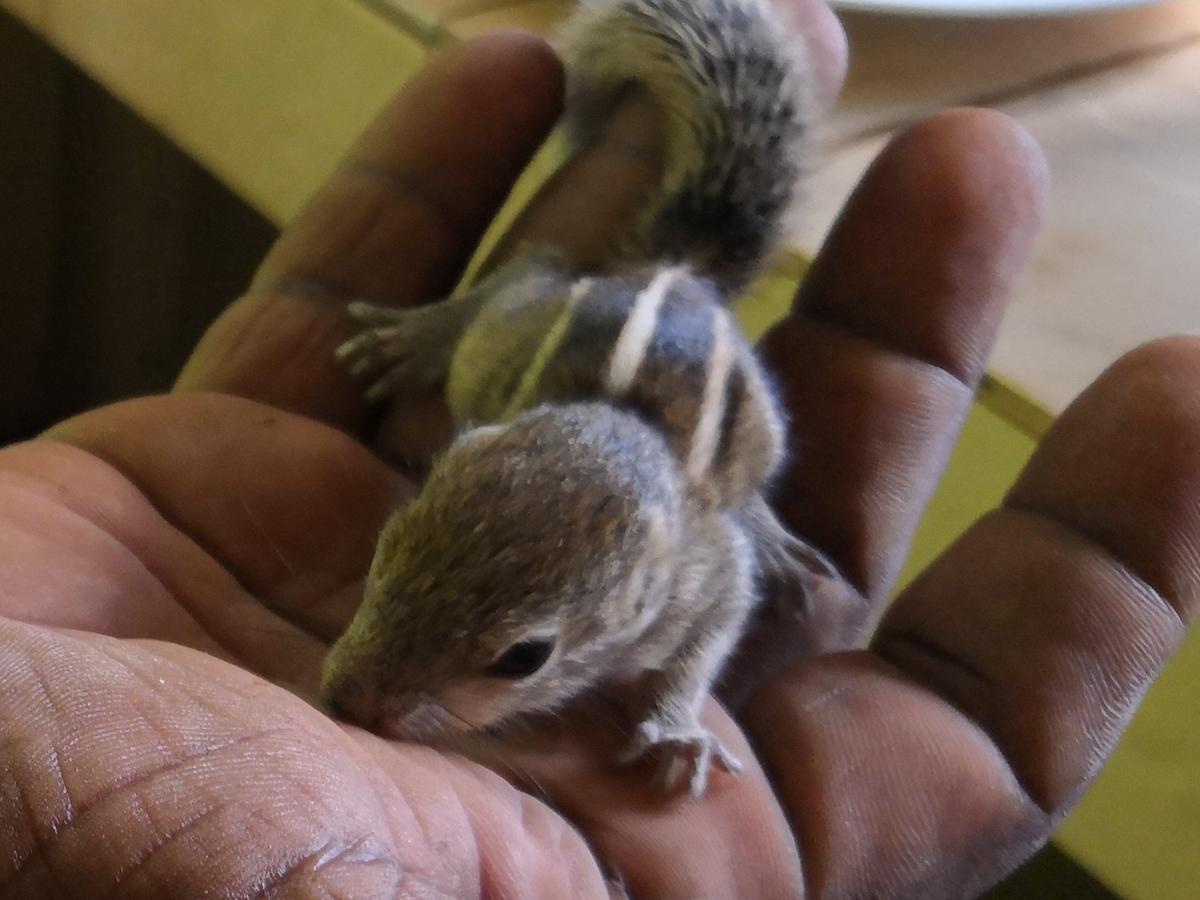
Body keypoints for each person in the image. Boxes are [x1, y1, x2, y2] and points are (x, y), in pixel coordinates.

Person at [2, 4, 1197, 896]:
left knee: (746, 472)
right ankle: (458, 339)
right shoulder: (489, 450)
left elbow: (720, 581)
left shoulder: (679, 567)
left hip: (672, 393)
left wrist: (680, 700)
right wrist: (439, 335)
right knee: (500, 339)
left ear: (623, 600)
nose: (360, 686)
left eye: (516, 658)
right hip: (558, 363)